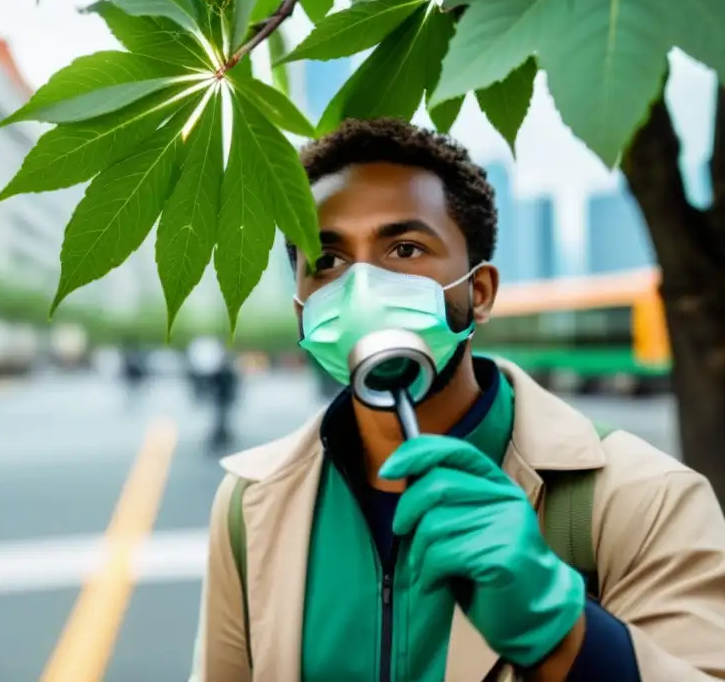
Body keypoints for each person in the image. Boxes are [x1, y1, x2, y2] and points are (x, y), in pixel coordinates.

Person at [190, 119, 725, 681]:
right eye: (326, 261)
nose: (362, 287)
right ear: (300, 304)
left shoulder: (640, 498)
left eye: (405, 248)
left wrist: (562, 632)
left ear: (480, 292)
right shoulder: (249, 506)